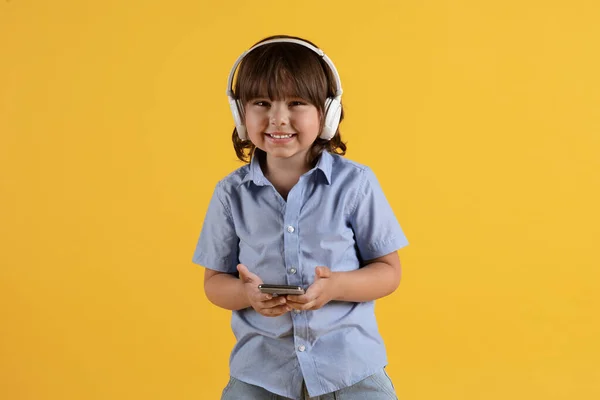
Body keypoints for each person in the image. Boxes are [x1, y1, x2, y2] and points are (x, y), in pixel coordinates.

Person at [192, 34, 409, 400]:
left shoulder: (355, 184)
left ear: (328, 113)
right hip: (261, 375)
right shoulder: (230, 194)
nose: (278, 118)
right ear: (240, 113)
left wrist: (336, 287)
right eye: (261, 103)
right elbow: (214, 282)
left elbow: (389, 272)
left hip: (350, 370)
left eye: (296, 103)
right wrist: (247, 294)